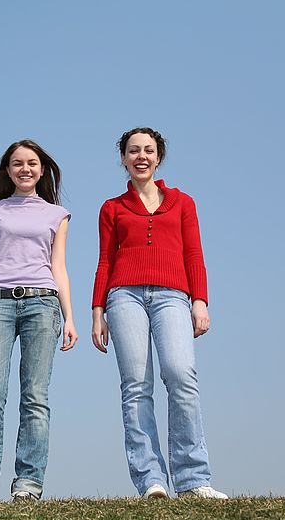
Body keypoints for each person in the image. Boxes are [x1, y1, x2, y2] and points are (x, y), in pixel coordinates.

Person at [91, 127, 227, 500]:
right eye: (133, 150)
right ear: (123, 158)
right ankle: (151, 479)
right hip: (124, 296)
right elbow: (105, 261)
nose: (141, 156)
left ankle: (193, 478)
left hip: (173, 296)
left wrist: (200, 300)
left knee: (181, 375)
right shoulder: (112, 208)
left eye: (148, 150)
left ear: (159, 156)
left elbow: (193, 254)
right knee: (136, 385)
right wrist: (97, 310)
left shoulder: (183, 202)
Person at [0, 139, 76, 504]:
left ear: (42, 169)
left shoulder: (58, 215)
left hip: (43, 305)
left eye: (32, 163)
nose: (25, 169)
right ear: (7, 171)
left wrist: (70, 317)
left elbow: (59, 268)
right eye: (17, 163)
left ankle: (28, 484)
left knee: (35, 397)